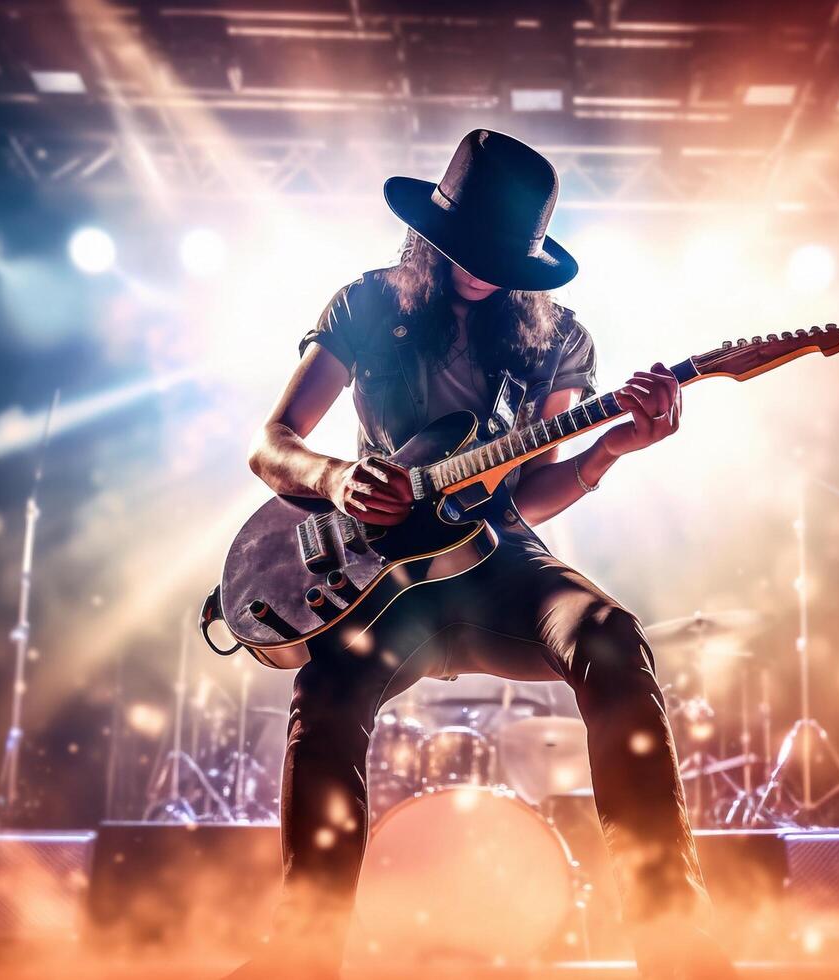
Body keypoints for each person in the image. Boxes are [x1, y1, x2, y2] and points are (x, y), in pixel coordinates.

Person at [236, 129, 732, 978]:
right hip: (381, 571)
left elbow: (533, 491)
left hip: (498, 555)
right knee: (324, 694)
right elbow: (272, 442)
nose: (482, 270)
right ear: (431, 232)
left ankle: (676, 942)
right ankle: (302, 957)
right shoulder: (367, 305)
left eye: (503, 259)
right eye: (469, 251)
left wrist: (613, 450)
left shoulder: (557, 340)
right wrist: (336, 478)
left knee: (611, 635)